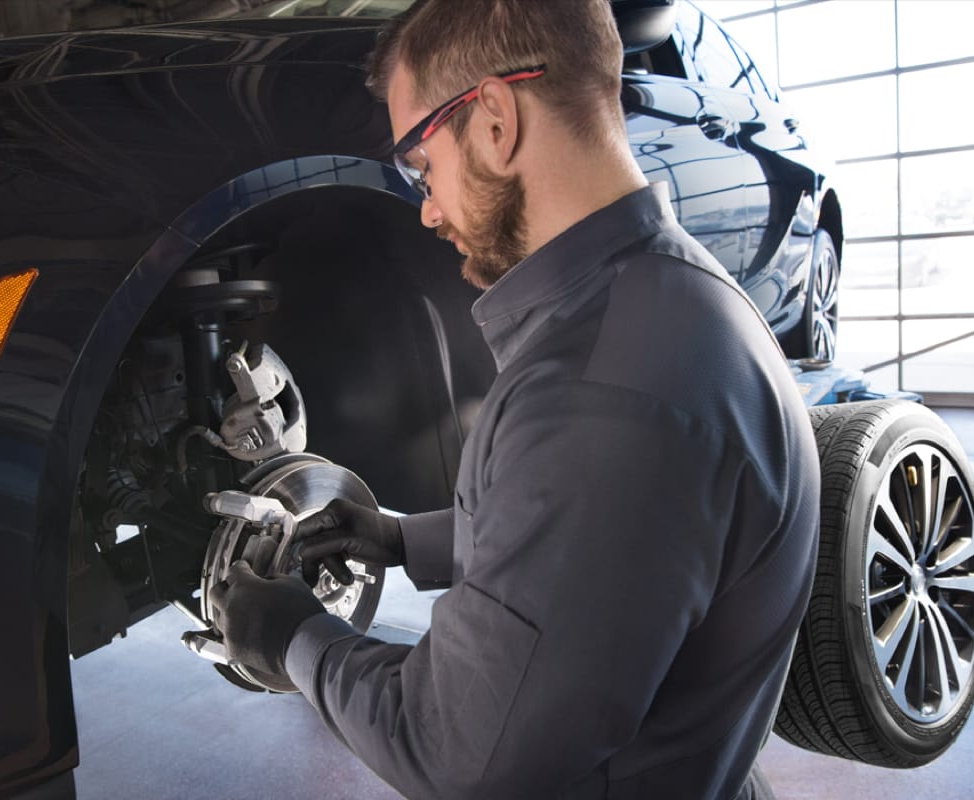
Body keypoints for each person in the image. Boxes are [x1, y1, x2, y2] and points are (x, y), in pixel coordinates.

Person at [210, 1, 820, 797]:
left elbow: (461, 753)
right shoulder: (666, 300)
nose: (426, 207)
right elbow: (595, 558)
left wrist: (294, 637)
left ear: (494, 120)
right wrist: (400, 539)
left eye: (421, 166)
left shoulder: (606, 396)